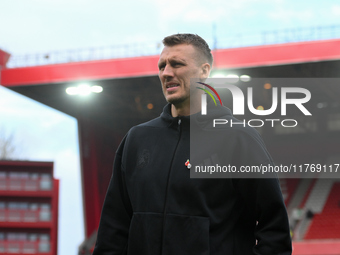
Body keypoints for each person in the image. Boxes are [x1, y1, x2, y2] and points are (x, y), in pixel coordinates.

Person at [93, 34, 292, 255]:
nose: (166, 73)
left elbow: (275, 231)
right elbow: (113, 228)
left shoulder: (238, 138)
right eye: (162, 66)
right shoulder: (137, 139)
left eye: (177, 64)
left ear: (204, 71)